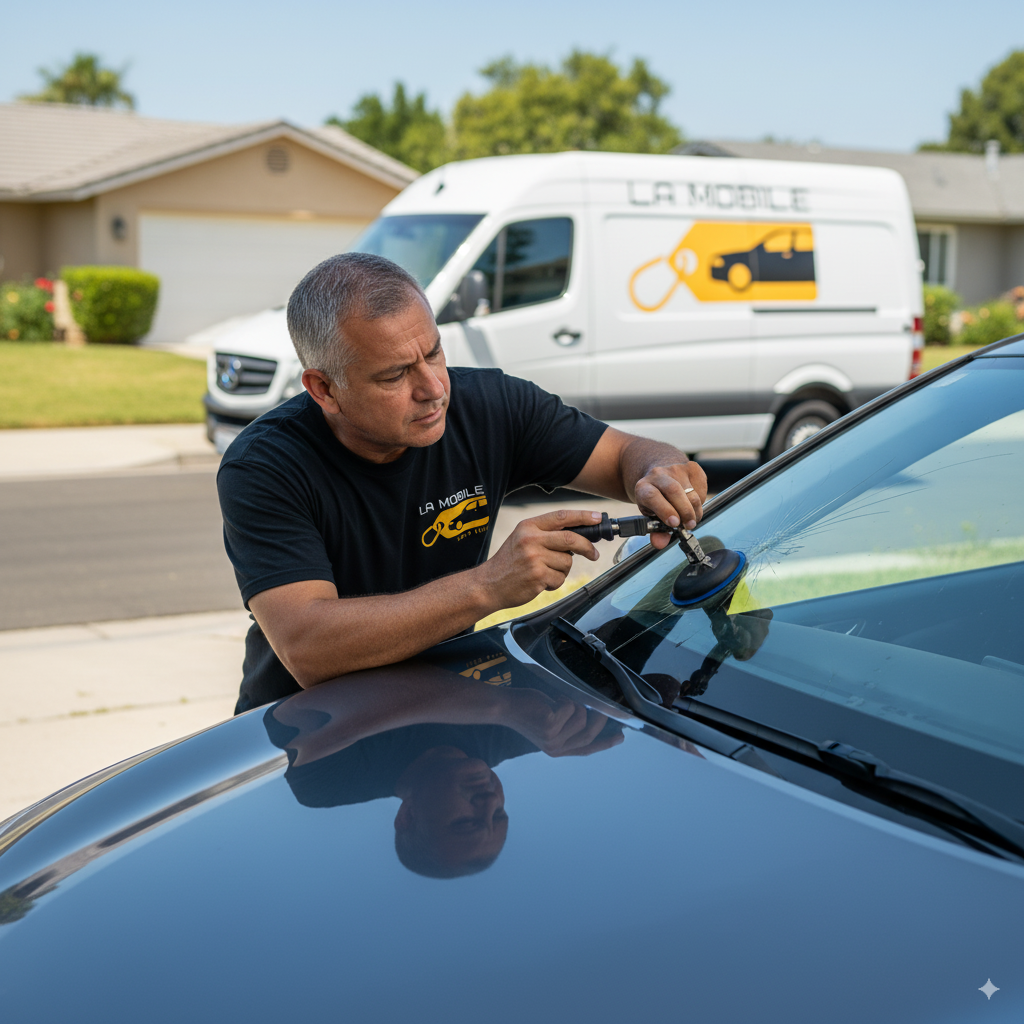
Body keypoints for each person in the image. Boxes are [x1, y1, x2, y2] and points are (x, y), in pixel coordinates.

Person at [217, 252, 707, 713]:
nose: (432, 389)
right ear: (324, 388)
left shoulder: (491, 406)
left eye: (433, 353)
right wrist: (489, 586)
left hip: (449, 709)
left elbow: (625, 453)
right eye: (394, 377)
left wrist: (659, 472)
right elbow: (309, 648)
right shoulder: (264, 465)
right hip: (305, 739)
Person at [263, 660, 622, 878]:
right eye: (499, 814)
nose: (488, 800)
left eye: (466, 822)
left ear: (407, 817)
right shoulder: (510, 742)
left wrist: (502, 707)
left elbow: (302, 714)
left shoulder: (327, 786)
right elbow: (624, 689)